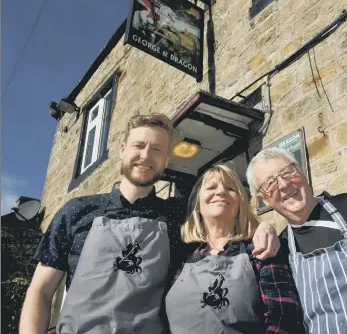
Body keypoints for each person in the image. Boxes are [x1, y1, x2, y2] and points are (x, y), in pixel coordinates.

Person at [20, 114, 280, 334]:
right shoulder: (76, 211)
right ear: (122, 150)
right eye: (139, 146)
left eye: (156, 149)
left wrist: (264, 227)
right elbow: (41, 291)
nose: (146, 156)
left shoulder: (177, 215)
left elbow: (221, 217)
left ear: (166, 160)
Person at [246, 147, 347, 334]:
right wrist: (263, 226)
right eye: (270, 183)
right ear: (264, 200)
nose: (284, 184)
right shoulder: (281, 249)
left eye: (287, 171)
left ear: (301, 170)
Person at [165, 163, 306, 334]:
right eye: (211, 187)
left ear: (240, 201)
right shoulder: (180, 255)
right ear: (197, 202)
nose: (221, 192)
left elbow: (284, 317)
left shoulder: (260, 250)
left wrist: (265, 226)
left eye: (230, 188)